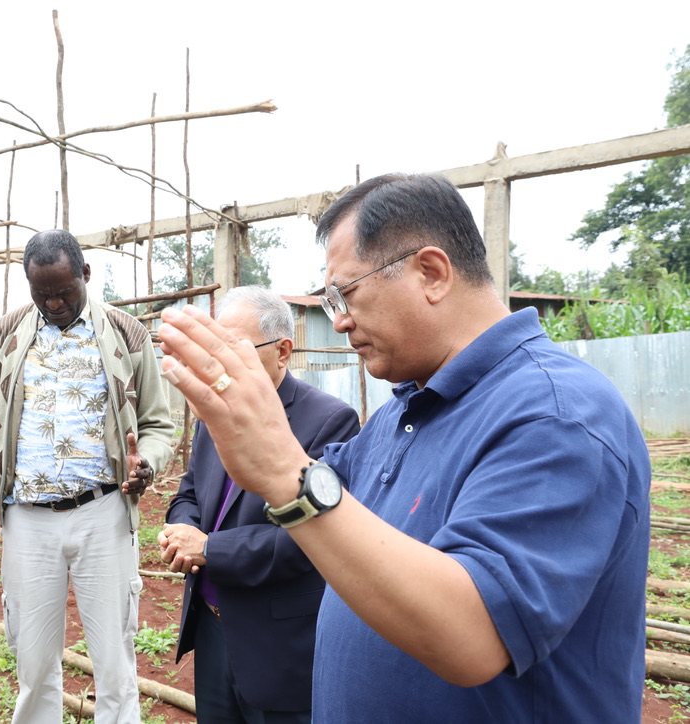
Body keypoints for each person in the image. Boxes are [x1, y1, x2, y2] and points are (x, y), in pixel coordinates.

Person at [154, 173, 650, 722]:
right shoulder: (405, 411)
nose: (339, 320)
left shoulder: (556, 412)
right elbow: (327, 486)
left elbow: (474, 632)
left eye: (346, 293)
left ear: (431, 273)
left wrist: (283, 472)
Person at [0, 229, 175, 724]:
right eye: (42, 294)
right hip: (27, 519)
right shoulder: (4, 336)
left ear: (85, 275)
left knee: (114, 662)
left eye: (64, 291)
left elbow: (158, 424)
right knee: (33, 664)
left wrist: (147, 463)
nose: (53, 303)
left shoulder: (127, 334)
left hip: (103, 511)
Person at [158, 285, 359, 723]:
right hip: (213, 625)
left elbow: (310, 539)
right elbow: (189, 492)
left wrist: (208, 548)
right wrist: (181, 530)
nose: (218, 361)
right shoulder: (215, 408)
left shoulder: (329, 421)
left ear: (282, 351)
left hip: (276, 641)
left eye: (233, 347)